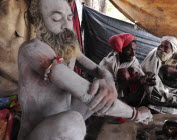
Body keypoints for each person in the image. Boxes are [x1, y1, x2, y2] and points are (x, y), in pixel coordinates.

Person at [17, 0, 153, 140]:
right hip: (36, 133)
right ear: (38, 21)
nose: (67, 25)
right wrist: (135, 114)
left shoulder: (66, 48)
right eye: (56, 19)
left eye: (69, 18)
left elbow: (97, 69)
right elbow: (82, 91)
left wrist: (108, 80)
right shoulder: (32, 50)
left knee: (102, 92)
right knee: (73, 121)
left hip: (62, 116)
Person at [99, 33, 156, 107]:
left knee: (140, 76)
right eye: (129, 50)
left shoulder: (133, 60)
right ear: (121, 50)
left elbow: (140, 75)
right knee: (123, 73)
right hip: (108, 94)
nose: (133, 54)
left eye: (134, 50)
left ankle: (131, 105)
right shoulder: (110, 63)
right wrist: (131, 81)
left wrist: (145, 80)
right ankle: (118, 104)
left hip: (126, 93)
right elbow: (105, 87)